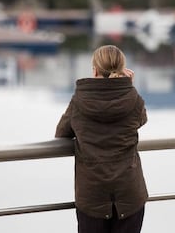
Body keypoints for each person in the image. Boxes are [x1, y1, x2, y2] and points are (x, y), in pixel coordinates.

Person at [55, 45, 148, 233]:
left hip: (92, 196)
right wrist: (127, 86)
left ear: (95, 70)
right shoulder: (133, 98)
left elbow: (61, 133)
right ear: (122, 69)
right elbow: (141, 119)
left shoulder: (79, 100)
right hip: (129, 193)